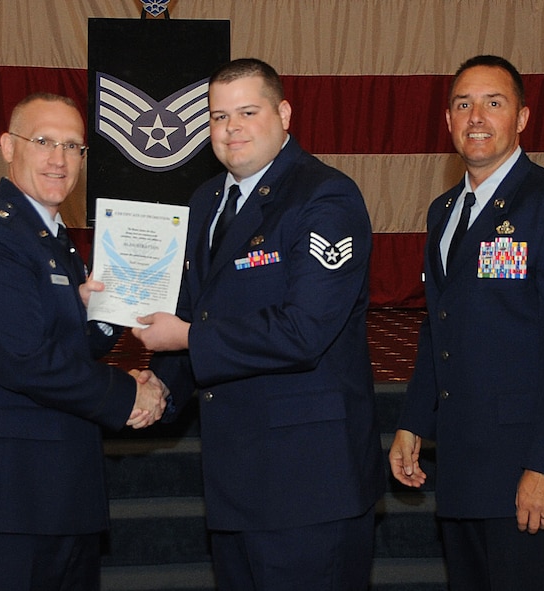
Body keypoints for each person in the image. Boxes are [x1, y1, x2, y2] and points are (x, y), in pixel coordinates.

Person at [132, 58, 386, 590]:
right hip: (235, 478)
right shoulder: (205, 201)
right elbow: (192, 312)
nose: (232, 129)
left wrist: (187, 338)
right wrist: (159, 387)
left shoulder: (325, 197)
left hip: (308, 483)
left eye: (247, 112)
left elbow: (304, 331)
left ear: (284, 113)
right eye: (219, 117)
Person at [0, 92, 168, 591]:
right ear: (8, 148)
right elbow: (26, 361)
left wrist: (105, 312)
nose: (59, 159)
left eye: (73, 146)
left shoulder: (53, 240)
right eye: (43, 142)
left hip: (57, 501)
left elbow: (68, 343)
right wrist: (129, 393)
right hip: (1, 507)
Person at [388, 55, 544, 590]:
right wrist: (415, 419)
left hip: (531, 479)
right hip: (466, 476)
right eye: (463, 105)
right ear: (447, 121)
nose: (477, 118)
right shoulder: (443, 212)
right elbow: (438, 324)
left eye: (494, 103)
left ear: (523, 118)